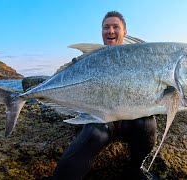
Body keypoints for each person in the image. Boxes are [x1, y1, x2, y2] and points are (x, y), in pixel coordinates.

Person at [52, 11, 157, 180]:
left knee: (148, 125)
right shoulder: (89, 59)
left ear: (125, 32)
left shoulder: (138, 58)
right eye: (106, 27)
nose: (111, 31)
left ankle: (135, 169)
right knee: (94, 133)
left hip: (132, 120)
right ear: (102, 31)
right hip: (101, 118)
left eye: (116, 27)